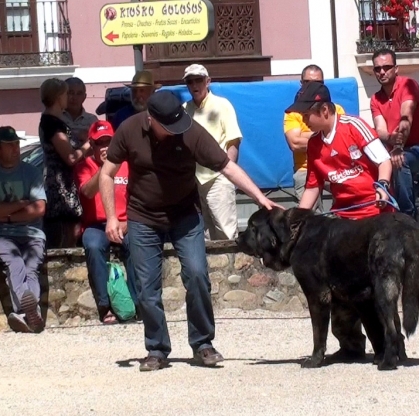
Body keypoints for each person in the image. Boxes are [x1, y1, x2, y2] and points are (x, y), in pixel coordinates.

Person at [99, 90, 282, 372]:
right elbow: (107, 173)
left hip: (185, 214)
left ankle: (203, 344)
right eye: (168, 127)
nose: (175, 131)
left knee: (197, 275)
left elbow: (227, 167)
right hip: (143, 217)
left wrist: (260, 197)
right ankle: (157, 349)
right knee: (147, 289)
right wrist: (112, 217)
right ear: (151, 119)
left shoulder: (190, 132)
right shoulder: (130, 129)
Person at [286, 81, 393, 360]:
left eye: (306, 114)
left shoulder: (353, 126)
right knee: (343, 292)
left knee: (377, 291)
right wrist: (296, 221)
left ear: (324, 110)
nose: (303, 120)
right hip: (343, 224)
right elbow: (313, 187)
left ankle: (392, 347)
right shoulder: (314, 145)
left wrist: (382, 184)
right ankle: (351, 346)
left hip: (373, 221)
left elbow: (384, 161)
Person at [74, 120, 138, 324]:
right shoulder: (84, 166)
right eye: (99, 143)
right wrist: (106, 168)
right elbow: (87, 191)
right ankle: (105, 306)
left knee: (137, 245)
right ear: (92, 146)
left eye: (108, 142)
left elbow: (138, 197)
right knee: (93, 246)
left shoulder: (129, 165)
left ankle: (137, 304)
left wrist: (128, 222)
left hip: (125, 223)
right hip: (96, 225)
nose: (105, 147)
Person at [370, 48, 419, 219]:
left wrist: (398, 146)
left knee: (400, 161)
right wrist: (391, 139)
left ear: (396, 69)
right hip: (392, 150)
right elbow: (380, 130)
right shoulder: (375, 99)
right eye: (377, 69)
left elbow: (407, 117)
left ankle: (407, 217)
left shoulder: (408, 85)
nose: (382, 71)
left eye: (386, 67)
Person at [182, 64, 241, 240]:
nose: (194, 85)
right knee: (205, 235)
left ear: (208, 81)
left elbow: (233, 140)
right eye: (190, 81)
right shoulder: (185, 108)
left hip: (218, 178)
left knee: (226, 232)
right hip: (195, 181)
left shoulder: (222, 105)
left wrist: (227, 174)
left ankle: (231, 269)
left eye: (198, 80)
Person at [0, 126, 46, 333]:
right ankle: (30, 312)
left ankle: (23, 313)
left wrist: (7, 216)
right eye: (9, 145)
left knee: (31, 268)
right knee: (15, 262)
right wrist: (22, 203)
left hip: (32, 234)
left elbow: (39, 208)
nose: (15, 148)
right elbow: (29, 206)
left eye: (16, 144)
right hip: (4, 236)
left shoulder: (31, 172)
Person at [283, 64, 346, 211]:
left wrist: (305, 135)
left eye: (317, 83)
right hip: (305, 170)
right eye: (308, 82)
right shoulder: (292, 111)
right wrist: (324, 133)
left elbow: (341, 139)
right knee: (311, 222)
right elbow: (295, 143)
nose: (312, 86)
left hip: (334, 167)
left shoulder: (336, 109)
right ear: (301, 83)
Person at [39, 78, 92, 248]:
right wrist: (89, 144)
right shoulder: (52, 123)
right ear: (58, 97)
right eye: (65, 94)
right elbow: (70, 158)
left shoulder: (53, 120)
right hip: (60, 188)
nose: (68, 98)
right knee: (65, 237)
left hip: (66, 184)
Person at [63, 77, 98, 145]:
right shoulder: (56, 118)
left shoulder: (91, 120)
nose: (74, 97)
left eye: (79, 93)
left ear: (84, 97)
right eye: (71, 93)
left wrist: (87, 139)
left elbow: (98, 145)